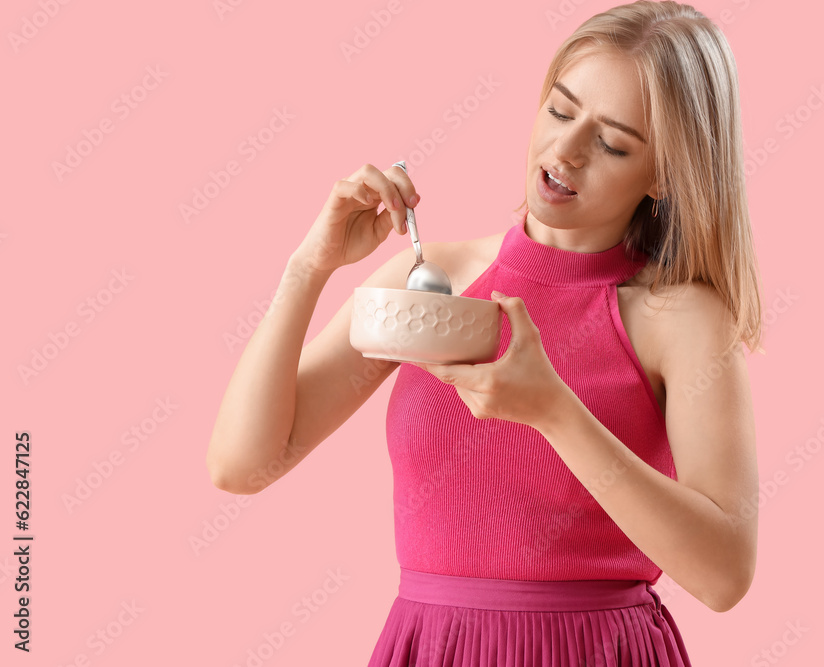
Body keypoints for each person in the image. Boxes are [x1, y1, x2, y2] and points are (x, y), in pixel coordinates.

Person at [206, 0, 762, 664]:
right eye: (560, 111)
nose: (566, 150)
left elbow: (724, 573)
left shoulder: (682, 318)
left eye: (612, 142)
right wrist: (309, 266)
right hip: (431, 647)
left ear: (665, 174)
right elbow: (241, 464)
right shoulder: (427, 281)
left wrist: (556, 413)